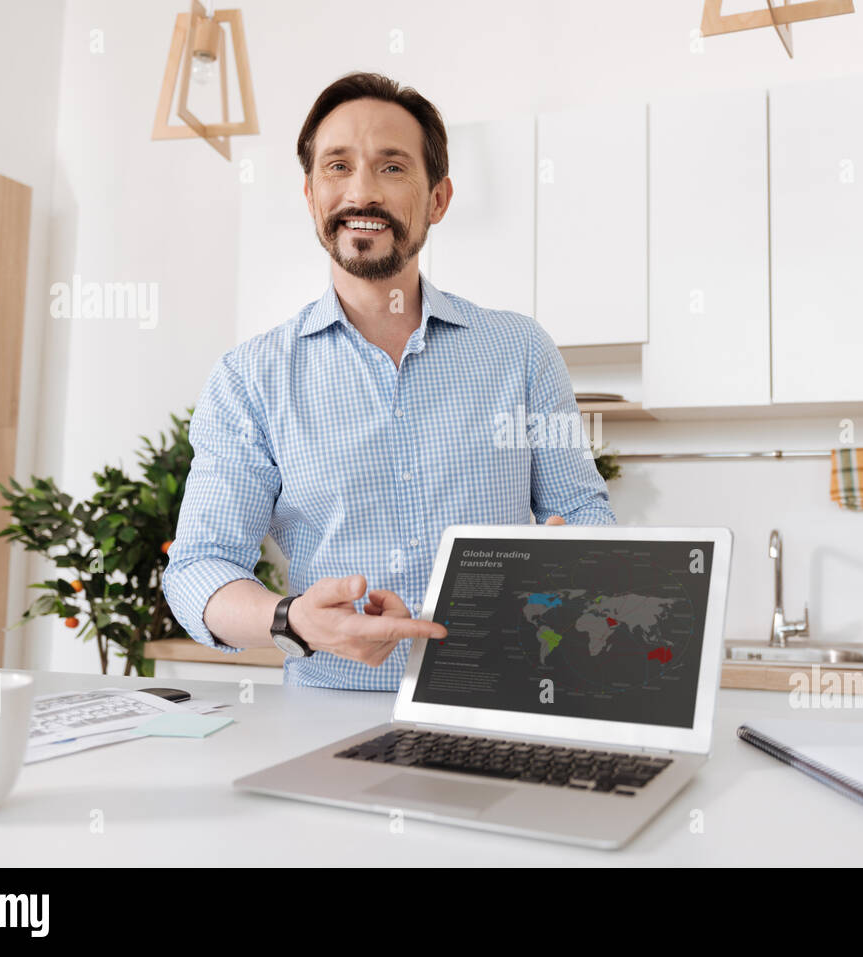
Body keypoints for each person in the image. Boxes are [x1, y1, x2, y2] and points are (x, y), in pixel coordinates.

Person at [162, 72, 616, 689]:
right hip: (324, 725)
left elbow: (583, 511)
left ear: (438, 200)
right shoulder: (249, 379)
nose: (362, 192)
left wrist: (567, 562)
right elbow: (198, 567)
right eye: (337, 167)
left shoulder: (522, 352)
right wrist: (292, 620)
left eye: (393, 167)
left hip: (500, 703)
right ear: (310, 194)